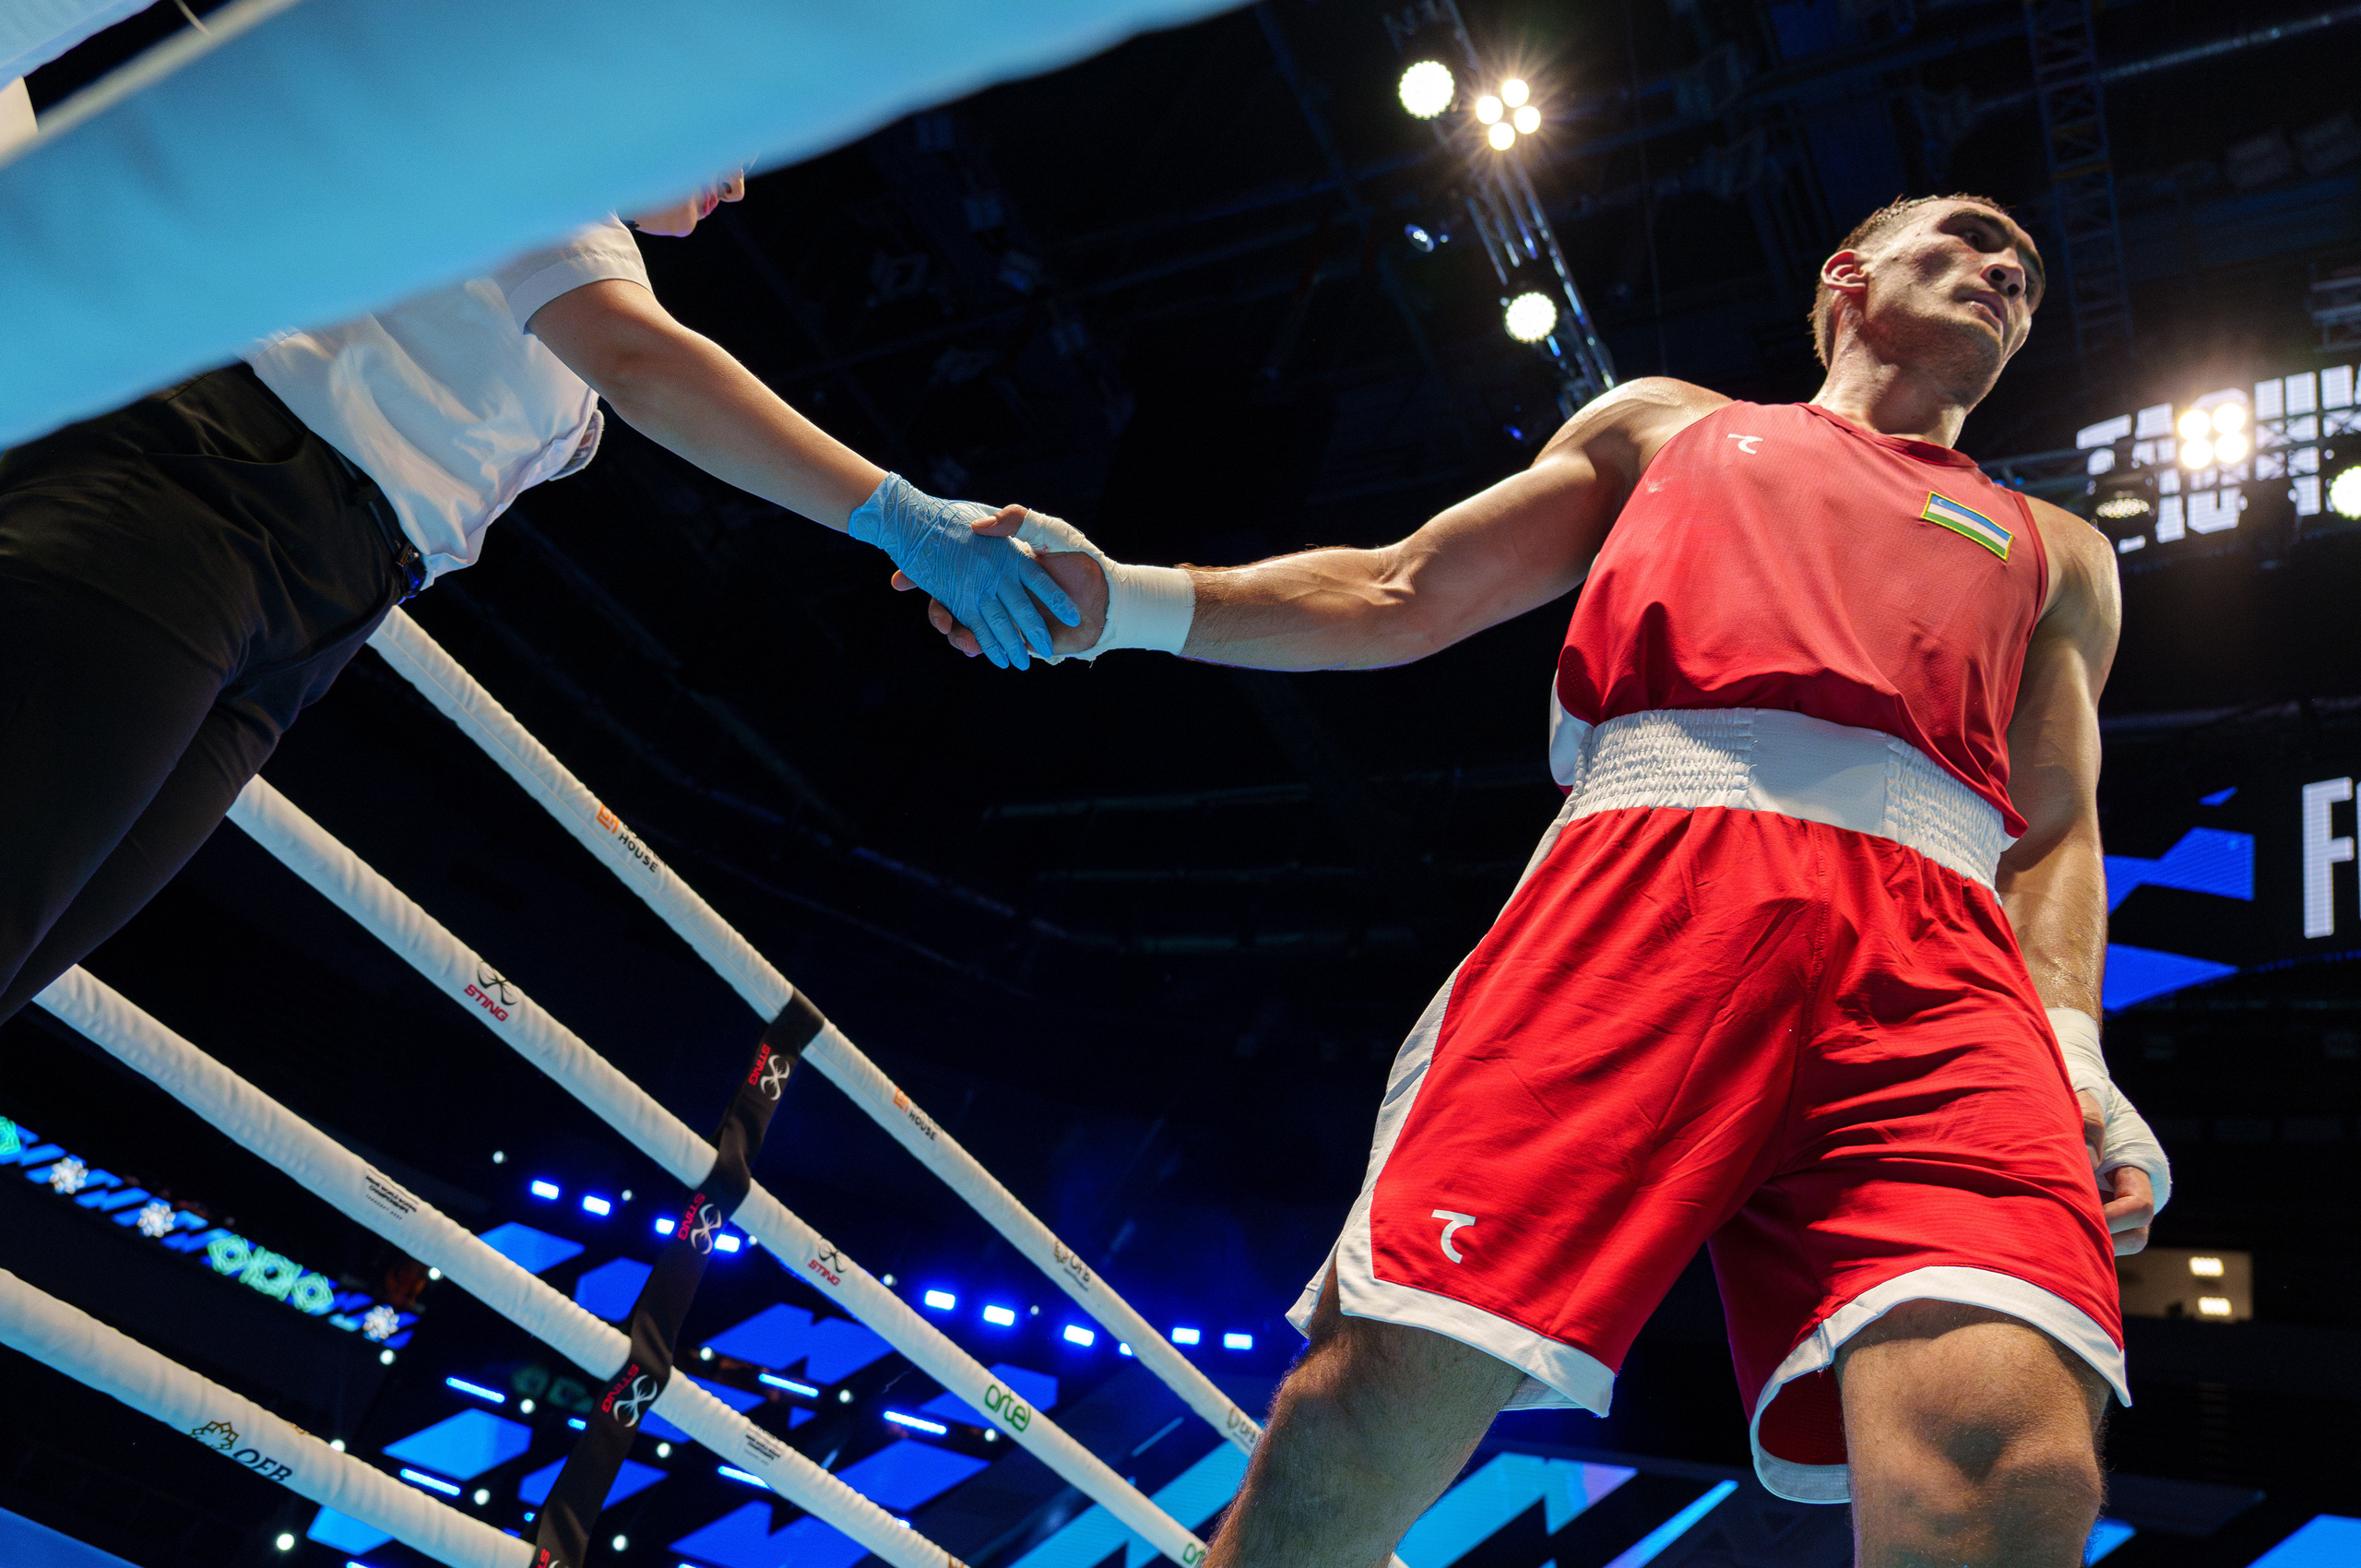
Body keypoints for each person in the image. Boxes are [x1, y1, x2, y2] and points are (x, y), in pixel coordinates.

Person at [919, 195, 2169, 1566]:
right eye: (1975, 237)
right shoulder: (1668, 426)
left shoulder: (2062, 552)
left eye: (2029, 272)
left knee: (2014, 1462)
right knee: (1373, 1406)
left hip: (1938, 962)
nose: (2007, 270)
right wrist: (1127, 602)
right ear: (1849, 271)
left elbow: (2053, 826)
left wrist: (2078, 1061)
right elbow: (1403, 589)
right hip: (1654, 889)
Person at [0, 165, 1077, 1025]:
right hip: (208, 497)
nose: (742, 186)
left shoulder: (576, 293)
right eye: (742, 137)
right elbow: (647, 366)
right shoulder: (543, 159)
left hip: (313, 610)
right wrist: (900, 514)